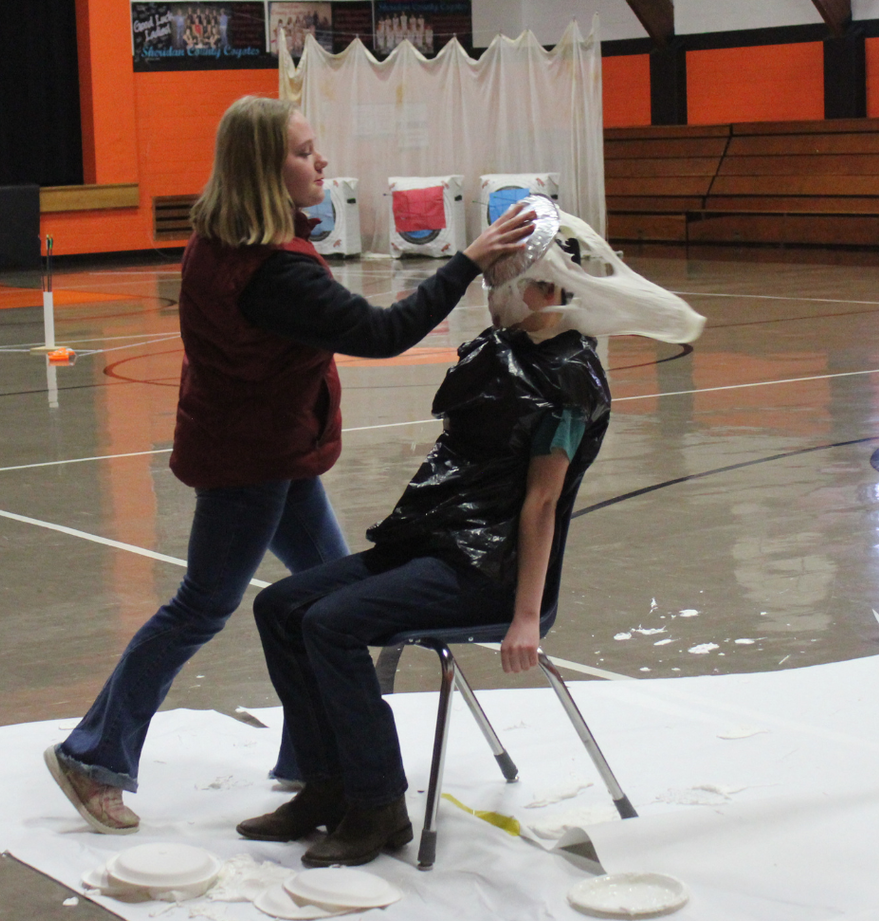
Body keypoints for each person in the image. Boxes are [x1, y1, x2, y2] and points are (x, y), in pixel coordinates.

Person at [43, 95, 536, 835]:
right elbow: (384, 332)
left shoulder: (224, 241)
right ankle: (93, 755)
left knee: (324, 607)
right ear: (265, 171)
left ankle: (317, 764)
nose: (322, 162)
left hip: (273, 450)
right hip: (252, 462)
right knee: (204, 606)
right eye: (305, 152)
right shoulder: (273, 274)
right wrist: (465, 262)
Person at [236, 278, 612, 867]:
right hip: (435, 542)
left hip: (490, 570)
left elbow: (541, 503)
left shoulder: (568, 381)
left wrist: (525, 615)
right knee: (280, 608)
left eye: (502, 279)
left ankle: (378, 802)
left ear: (545, 288)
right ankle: (329, 782)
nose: (492, 292)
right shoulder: (500, 349)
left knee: (331, 624)